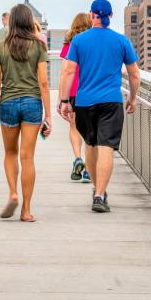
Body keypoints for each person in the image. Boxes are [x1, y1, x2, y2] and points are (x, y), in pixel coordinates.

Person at [58, 0, 140, 213]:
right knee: (106, 148)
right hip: (111, 101)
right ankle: (99, 194)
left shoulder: (78, 41)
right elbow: (134, 74)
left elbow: (68, 72)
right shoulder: (121, 41)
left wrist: (64, 101)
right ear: (110, 16)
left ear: (91, 14)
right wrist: (132, 98)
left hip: (84, 102)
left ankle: (97, 189)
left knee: (91, 146)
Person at [0, 4, 51, 222]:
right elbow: (43, 83)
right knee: (28, 157)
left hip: (8, 104)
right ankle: (26, 210)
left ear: (12, 21)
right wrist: (49, 116)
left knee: (10, 153)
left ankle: (13, 193)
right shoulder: (38, 46)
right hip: (33, 103)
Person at [61, 12, 92, 183]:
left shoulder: (69, 43)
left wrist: (61, 99)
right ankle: (88, 167)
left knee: (74, 127)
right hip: (88, 90)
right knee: (88, 130)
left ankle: (77, 158)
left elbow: (65, 71)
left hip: (72, 91)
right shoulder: (92, 42)